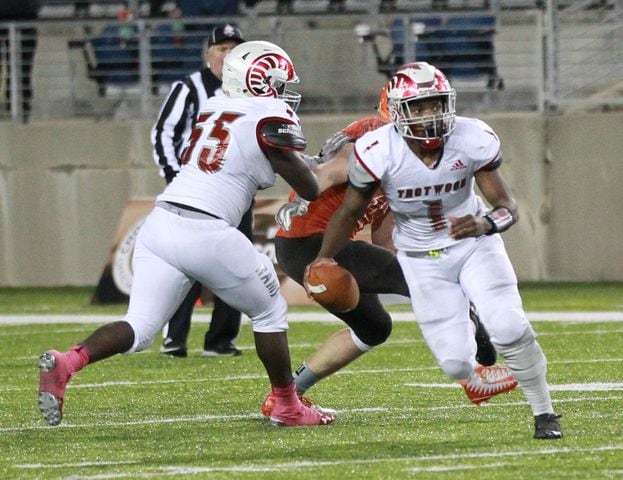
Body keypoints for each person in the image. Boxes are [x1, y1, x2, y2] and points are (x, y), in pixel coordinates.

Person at [38, 40, 335, 429]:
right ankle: (287, 405)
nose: (284, 91)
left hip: (160, 224)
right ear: (259, 82)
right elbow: (307, 187)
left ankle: (69, 361)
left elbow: (253, 151)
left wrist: (302, 160)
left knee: (141, 327)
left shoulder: (215, 104)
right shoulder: (267, 114)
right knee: (269, 311)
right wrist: (318, 172)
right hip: (207, 229)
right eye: (278, 82)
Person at [307, 62, 562, 440]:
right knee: (456, 365)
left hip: (474, 245)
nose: (431, 115)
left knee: (509, 326)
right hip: (421, 260)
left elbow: (508, 206)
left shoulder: (472, 137)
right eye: (420, 107)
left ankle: (545, 413)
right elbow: (351, 210)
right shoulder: (377, 150)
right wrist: (324, 256)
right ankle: (484, 376)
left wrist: (487, 223)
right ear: (397, 111)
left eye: (436, 104)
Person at [261, 86, 512, 417]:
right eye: (418, 110)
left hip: (310, 246)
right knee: (423, 282)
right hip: (312, 243)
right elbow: (334, 170)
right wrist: (307, 196)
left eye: (430, 109)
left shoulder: (408, 159)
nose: (427, 120)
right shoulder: (377, 132)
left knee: (374, 328)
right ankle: (473, 378)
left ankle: (287, 396)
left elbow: (383, 236)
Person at [151, 24, 248, 358]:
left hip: (235, 194)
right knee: (184, 265)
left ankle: (221, 339)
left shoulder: (251, 92)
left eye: (234, 48)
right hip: (195, 192)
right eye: (221, 48)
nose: (227, 55)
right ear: (208, 54)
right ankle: (174, 337)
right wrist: (174, 177)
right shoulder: (190, 87)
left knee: (235, 265)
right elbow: (163, 132)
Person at [0, 0, 40, 122]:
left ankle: (20, 106)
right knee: (22, 68)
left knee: (22, 68)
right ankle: (20, 105)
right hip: (25, 14)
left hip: (25, 15)